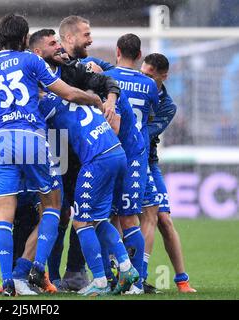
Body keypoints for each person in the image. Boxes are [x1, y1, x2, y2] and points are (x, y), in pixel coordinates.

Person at [0, 13, 108, 296]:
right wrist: (95, 99)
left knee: (4, 215)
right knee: (53, 206)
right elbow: (70, 94)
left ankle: (8, 281)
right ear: (25, 39)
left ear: (0, 36)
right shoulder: (31, 60)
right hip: (33, 139)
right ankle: (34, 270)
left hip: (4, 143)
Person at [27, 28, 121, 290]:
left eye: (58, 42)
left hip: (81, 157)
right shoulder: (28, 75)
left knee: (78, 216)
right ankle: (50, 276)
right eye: (53, 43)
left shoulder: (72, 70)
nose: (58, 48)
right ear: (37, 53)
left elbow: (109, 82)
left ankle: (76, 273)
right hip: (53, 156)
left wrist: (109, 101)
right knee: (56, 216)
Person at [103, 33, 160, 288]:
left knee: (106, 217)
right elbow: (150, 115)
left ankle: (111, 275)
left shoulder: (106, 79)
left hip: (109, 152)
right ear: (139, 55)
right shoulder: (148, 84)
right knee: (131, 219)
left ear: (117, 51)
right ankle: (136, 282)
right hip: (135, 156)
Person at [140, 53, 196, 293]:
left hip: (148, 163)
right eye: (142, 74)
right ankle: (124, 276)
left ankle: (182, 279)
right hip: (124, 160)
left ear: (164, 76)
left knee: (164, 219)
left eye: (149, 76)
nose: (144, 80)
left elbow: (146, 133)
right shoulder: (132, 87)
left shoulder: (167, 106)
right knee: (120, 218)